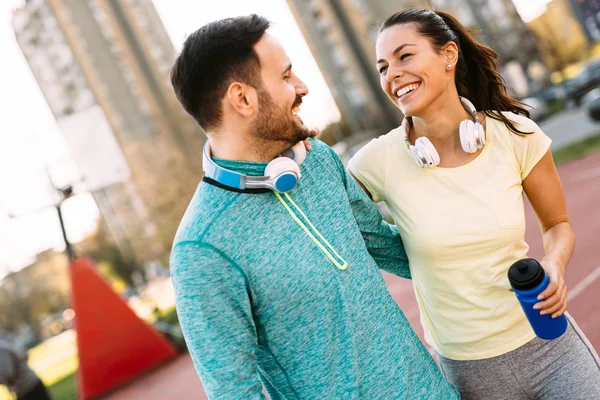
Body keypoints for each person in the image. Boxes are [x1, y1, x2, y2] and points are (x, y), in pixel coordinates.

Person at [168, 14, 459, 399]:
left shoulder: (317, 160)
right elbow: (236, 393)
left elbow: (390, 247)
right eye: (287, 77)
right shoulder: (202, 250)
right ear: (242, 99)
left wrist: (483, 248)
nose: (302, 87)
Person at [348, 8, 600, 399]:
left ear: (448, 55)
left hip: (549, 343)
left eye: (404, 56)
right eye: (382, 67)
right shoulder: (377, 161)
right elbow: (331, 217)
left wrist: (554, 263)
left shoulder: (516, 134)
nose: (392, 74)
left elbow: (557, 225)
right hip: (469, 373)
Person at [0, 335, 52, 400]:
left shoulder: (1, 348)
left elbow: (8, 373)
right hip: (30, 382)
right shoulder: (5, 341)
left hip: (26, 387)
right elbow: (25, 355)